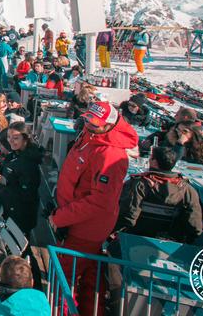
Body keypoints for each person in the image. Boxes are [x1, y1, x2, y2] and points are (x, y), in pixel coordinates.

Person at [49, 101, 137, 316]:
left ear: (110, 125)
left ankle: (62, 311)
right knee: (91, 277)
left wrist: (61, 218)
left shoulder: (111, 155)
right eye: (87, 120)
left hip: (83, 228)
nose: (89, 125)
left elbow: (100, 202)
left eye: (95, 123)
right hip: (75, 222)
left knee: (64, 278)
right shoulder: (91, 137)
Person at [115, 146, 203, 242]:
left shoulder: (138, 184)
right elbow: (195, 225)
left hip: (134, 238)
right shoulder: (188, 190)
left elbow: (127, 217)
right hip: (169, 243)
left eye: (151, 157)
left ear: (155, 162)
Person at [0, 122, 43, 235]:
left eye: (15, 138)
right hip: (10, 210)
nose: (10, 140)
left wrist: (6, 182)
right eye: (9, 137)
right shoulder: (16, 154)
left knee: (19, 249)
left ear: (25, 139)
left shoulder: (29, 163)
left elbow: (28, 194)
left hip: (20, 216)